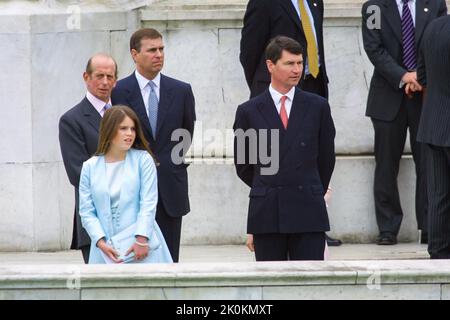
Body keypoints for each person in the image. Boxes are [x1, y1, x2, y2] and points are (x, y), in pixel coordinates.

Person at [240, 0, 341, 246]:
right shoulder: (265, 3)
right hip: (275, 90)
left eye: (297, 62)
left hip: (314, 85)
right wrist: (265, 85)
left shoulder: (315, 2)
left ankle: (311, 218)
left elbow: (326, 157)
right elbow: (250, 50)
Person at [361, 0, 447, 245]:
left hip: (427, 96)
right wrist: (403, 75)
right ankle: (388, 228)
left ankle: (431, 226)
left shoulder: (435, 4)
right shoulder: (374, 8)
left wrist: (420, 76)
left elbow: (440, 41)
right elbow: (374, 49)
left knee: (430, 165)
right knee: (386, 164)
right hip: (387, 97)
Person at [111, 28, 196, 262]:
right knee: (132, 263)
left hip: (170, 187)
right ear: (135, 54)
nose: (159, 54)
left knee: (169, 262)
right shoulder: (118, 91)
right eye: (152, 50)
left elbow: (186, 132)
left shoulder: (181, 91)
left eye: (161, 49)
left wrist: (169, 162)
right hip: (132, 188)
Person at [78, 105, 173, 264]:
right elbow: (86, 211)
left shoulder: (143, 160)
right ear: (109, 130)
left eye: (133, 129)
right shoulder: (89, 166)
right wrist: (100, 242)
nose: (129, 134)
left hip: (140, 244)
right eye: (123, 128)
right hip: (105, 249)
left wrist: (141, 239)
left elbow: (148, 203)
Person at [59, 53, 118, 263]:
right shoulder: (71, 120)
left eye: (109, 77)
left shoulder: (125, 115)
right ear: (86, 77)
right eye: (99, 76)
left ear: (116, 80)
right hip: (95, 218)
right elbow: (78, 173)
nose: (104, 82)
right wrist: (120, 184)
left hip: (129, 220)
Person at [409, 16, 450, 259]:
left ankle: (438, 250)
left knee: (438, 194)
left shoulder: (433, 26)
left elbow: (421, 76)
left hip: (433, 124)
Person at [240, 0, 328, 99]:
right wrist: (262, 84)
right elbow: (249, 52)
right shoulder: (263, 2)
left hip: (315, 85)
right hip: (278, 89)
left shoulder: (315, 2)